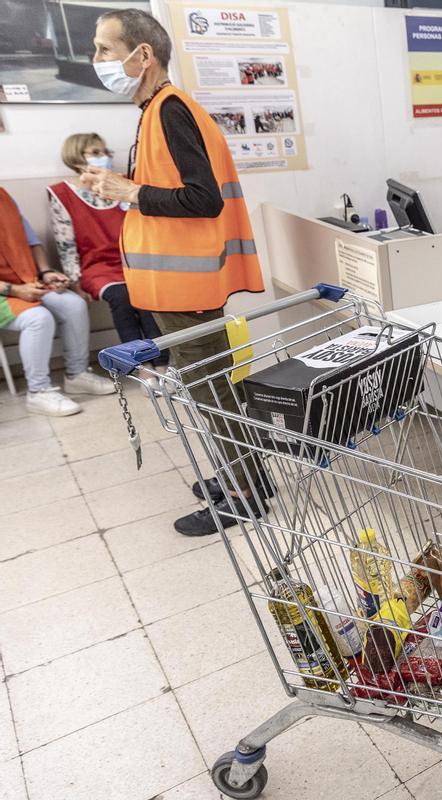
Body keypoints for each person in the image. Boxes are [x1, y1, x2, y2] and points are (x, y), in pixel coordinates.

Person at [82, 8, 266, 537]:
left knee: (213, 394)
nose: (96, 61)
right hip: (172, 285)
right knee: (215, 391)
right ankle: (248, 476)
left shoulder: (168, 109)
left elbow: (202, 199)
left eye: (105, 50)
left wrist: (129, 191)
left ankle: (243, 495)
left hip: (185, 287)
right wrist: (124, 185)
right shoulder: (156, 111)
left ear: (143, 54)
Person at [48, 132, 171, 377]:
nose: (103, 157)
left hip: (133, 260)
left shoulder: (120, 183)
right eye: (95, 153)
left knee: (146, 299)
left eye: (105, 152)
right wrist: (75, 282)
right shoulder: (61, 194)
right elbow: (65, 244)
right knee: (123, 297)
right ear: (76, 157)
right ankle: (140, 368)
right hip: (97, 267)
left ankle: (163, 365)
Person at [0, 187, 116, 415]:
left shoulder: (4, 196)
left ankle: (77, 374)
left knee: (73, 304)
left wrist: (45, 272)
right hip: (7, 290)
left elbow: (31, 242)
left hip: (27, 281)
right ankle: (38, 392)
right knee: (38, 319)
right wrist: (15, 290)